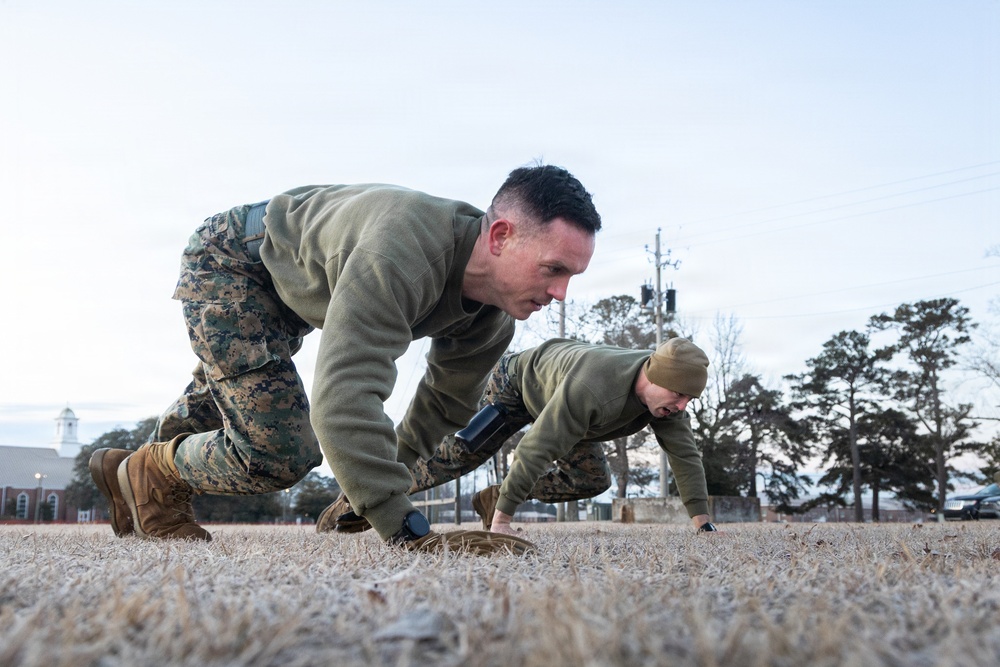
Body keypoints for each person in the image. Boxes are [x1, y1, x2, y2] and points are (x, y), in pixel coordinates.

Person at [89, 165, 602, 554]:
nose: (560, 293)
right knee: (277, 450)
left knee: (229, 398)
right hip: (235, 262)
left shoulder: (493, 316)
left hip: (297, 289)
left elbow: (441, 409)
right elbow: (344, 399)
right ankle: (149, 473)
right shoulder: (402, 253)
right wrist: (404, 526)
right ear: (500, 237)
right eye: (553, 269)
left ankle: (135, 479)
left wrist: (367, 493)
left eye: (571, 277)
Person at [317, 337, 717, 536]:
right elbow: (538, 447)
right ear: (654, 376)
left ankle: (494, 497)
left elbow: (685, 457)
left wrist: (703, 525)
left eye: (689, 399)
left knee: (593, 480)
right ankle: (362, 495)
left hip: (564, 402)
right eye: (679, 395)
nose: (681, 405)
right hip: (516, 384)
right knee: (460, 453)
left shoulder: (666, 406)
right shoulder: (595, 387)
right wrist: (503, 524)